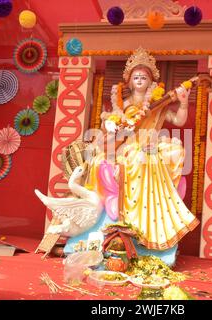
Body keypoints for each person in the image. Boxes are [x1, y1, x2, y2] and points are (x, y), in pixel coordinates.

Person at [84, 47, 200, 251]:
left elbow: (179, 121)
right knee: (137, 158)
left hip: (151, 143)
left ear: (151, 81)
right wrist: (111, 125)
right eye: (135, 76)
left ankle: (154, 217)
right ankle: (132, 219)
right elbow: (111, 128)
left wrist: (183, 104)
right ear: (129, 81)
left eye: (143, 76)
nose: (139, 79)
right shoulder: (123, 103)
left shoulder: (158, 103)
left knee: (175, 149)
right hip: (128, 146)